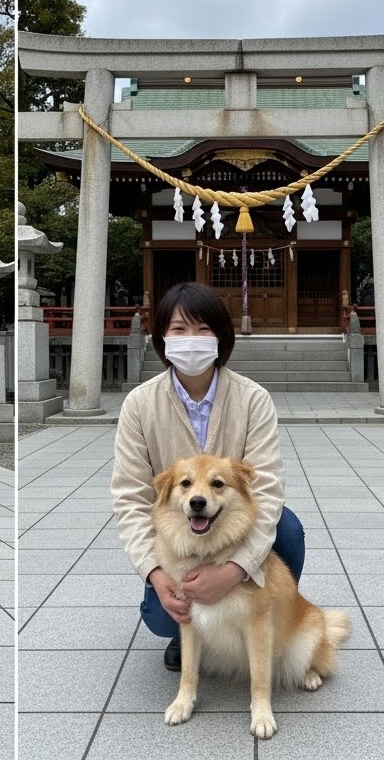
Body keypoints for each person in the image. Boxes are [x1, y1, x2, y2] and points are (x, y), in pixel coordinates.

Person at [111, 281, 305, 671]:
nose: (192, 340)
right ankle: (190, 636)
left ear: (221, 337)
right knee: (162, 617)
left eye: (203, 329)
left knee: (286, 529)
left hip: (231, 528)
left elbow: (266, 488)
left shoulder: (253, 399)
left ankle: (267, 619)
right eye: (179, 330)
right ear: (162, 338)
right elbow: (130, 497)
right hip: (179, 543)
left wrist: (234, 571)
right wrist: (154, 571)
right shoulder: (139, 404)